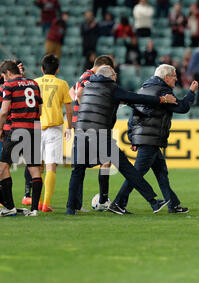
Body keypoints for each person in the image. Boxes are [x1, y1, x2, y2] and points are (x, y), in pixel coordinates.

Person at [66, 65, 178, 215]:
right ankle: (153, 201)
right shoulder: (111, 88)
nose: (116, 77)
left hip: (80, 132)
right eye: (114, 74)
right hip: (99, 133)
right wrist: (162, 99)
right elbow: (138, 98)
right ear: (109, 76)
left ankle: (70, 209)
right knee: (127, 168)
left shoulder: (88, 87)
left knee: (78, 171)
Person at [110, 65, 199, 215]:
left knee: (161, 172)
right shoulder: (163, 92)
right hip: (151, 138)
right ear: (166, 78)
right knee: (136, 173)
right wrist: (191, 93)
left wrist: (133, 137)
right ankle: (118, 202)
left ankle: (173, 204)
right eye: (174, 76)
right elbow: (182, 108)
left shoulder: (143, 89)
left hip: (146, 138)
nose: (176, 79)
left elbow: (134, 116)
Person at [0, 60, 43, 217]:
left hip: (17, 130)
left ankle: (9, 207)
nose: (4, 80)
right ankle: (34, 209)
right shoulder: (34, 84)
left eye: (4, 76)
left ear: (8, 73)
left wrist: (1, 128)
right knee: (34, 169)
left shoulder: (9, 85)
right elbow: (40, 110)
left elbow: (3, 111)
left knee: (3, 167)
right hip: (34, 128)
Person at [70, 55, 115, 212]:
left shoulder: (84, 75)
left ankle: (76, 205)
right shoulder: (90, 76)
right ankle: (99, 200)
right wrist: (90, 108)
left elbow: (72, 91)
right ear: (104, 66)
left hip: (82, 125)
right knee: (104, 160)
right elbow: (79, 93)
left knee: (82, 166)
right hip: (88, 126)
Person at [35, 54, 73, 212]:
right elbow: (69, 110)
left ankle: (36, 202)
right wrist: (69, 127)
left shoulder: (34, 82)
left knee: (38, 167)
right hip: (54, 128)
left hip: (36, 126)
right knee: (51, 166)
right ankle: (46, 204)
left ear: (42, 68)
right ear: (57, 69)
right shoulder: (62, 84)